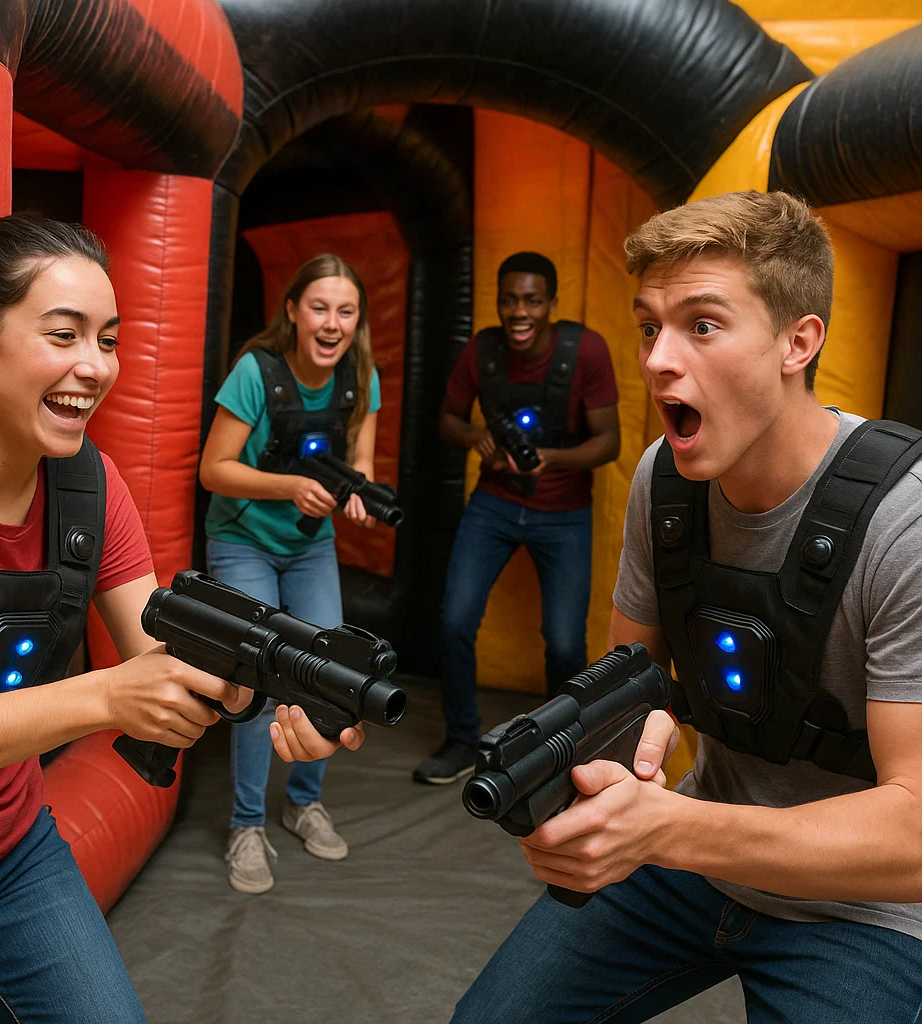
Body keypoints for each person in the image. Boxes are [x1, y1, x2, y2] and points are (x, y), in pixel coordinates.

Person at [451, 191, 922, 1022]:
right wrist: (621, 747)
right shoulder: (661, 483)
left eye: (702, 325)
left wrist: (664, 829)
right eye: (648, 327)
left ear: (797, 342)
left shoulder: (904, 522)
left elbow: (916, 833)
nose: (659, 359)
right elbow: (625, 683)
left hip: (863, 910)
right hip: (694, 859)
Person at [0, 215, 363, 1024]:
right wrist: (107, 697)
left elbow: (167, 659)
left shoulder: (90, 483)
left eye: (108, 339)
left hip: (8, 850)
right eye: (63, 334)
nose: (95, 366)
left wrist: (281, 692)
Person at [200, 253, 384, 894]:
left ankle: (302, 801)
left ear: (357, 321)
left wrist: (357, 496)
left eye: (346, 311)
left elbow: (358, 465)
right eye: (319, 308)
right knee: (257, 676)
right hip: (243, 540)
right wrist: (291, 486)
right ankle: (246, 822)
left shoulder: (361, 376)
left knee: (332, 678)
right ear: (293, 313)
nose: (332, 322)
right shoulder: (256, 372)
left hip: (310, 545)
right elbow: (214, 469)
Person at [414, 252, 620, 784]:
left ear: (551, 304)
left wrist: (550, 459)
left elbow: (608, 442)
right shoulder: (482, 351)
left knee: (566, 642)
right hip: (496, 504)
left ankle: (559, 753)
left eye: (531, 300)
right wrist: (475, 438)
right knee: (455, 619)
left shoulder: (586, 350)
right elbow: (447, 421)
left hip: (564, 512)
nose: (519, 311)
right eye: (509, 300)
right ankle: (461, 739)